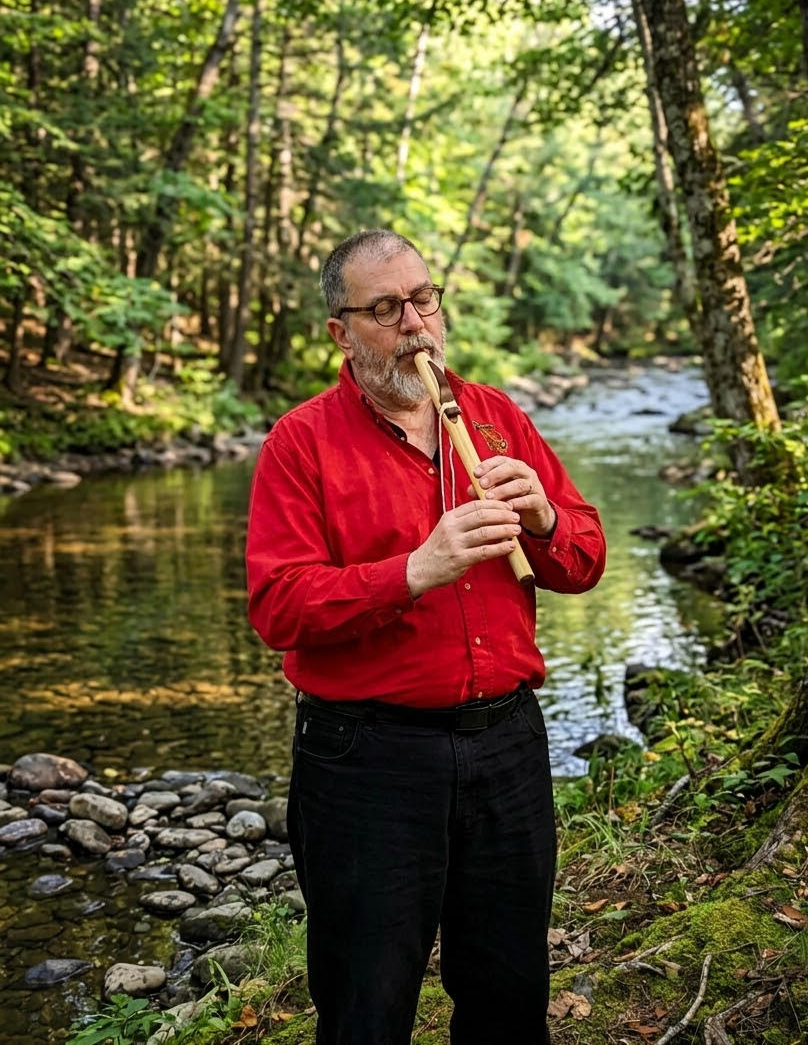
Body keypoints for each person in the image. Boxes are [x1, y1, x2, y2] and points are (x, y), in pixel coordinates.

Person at [246, 229, 606, 1045]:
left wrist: (544, 516)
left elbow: (582, 560)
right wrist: (413, 569)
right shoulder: (300, 442)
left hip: (507, 746)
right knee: (367, 1003)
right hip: (367, 760)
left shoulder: (496, 417)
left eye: (424, 298)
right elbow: (278, 606)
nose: (415, 323)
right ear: (341, 330)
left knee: (510, 991)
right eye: (384, 308)